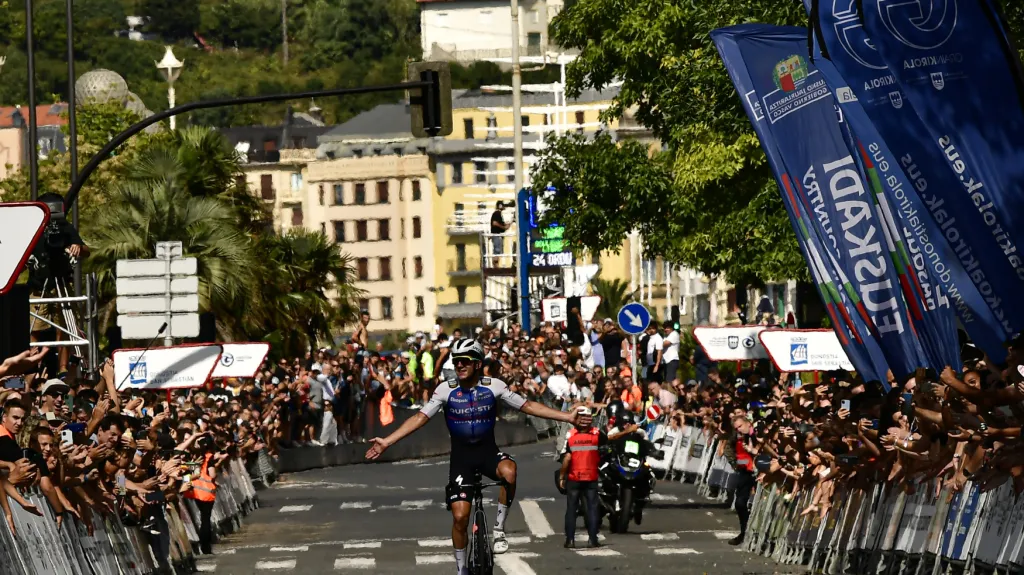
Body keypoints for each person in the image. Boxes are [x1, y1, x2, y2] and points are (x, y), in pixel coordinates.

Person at [366, 338, 590, 575]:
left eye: (465, 361)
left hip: (488, 453)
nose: (459, 366)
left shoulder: (494, 386)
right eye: (456, 361)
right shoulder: (446, 390)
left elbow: (528, 406)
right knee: (461, 518)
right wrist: (387, 441)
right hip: (461, 459)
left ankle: (499, 530)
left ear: (477, 363)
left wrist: (567, 418)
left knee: (510, 471)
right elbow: (420, 418)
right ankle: (462, 569)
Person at [559, 406, 601, 549]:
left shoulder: (570, 436)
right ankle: (593, 539)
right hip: (591, 477)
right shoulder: (597, 434)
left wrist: (561, 476)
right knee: (592, 508)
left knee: (571, 509)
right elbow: (607, 446)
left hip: (574, 477)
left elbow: (567, 458)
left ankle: (570, 540)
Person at [728, 414, 757, 546]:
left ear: (748, 423)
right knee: (740, 503)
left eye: (740, 426)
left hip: (759, 472)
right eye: (736, 428)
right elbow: (733, 451)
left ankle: (753, 534)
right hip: (745, 472)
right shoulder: (739, 438)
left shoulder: (757, 434)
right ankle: (743, 532)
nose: (739, 429)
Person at [490, 201, 511, 267]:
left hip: (498, 235)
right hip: (497, 235)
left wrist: (508, 224)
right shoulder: (497, 213)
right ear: (500, 206)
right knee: (497, 250)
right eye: (503, 205)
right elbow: (495, 223)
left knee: (498, 250)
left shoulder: (498, 214)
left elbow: (500, 224)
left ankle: (496, 265)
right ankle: (495, 266)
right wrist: (503, 227)